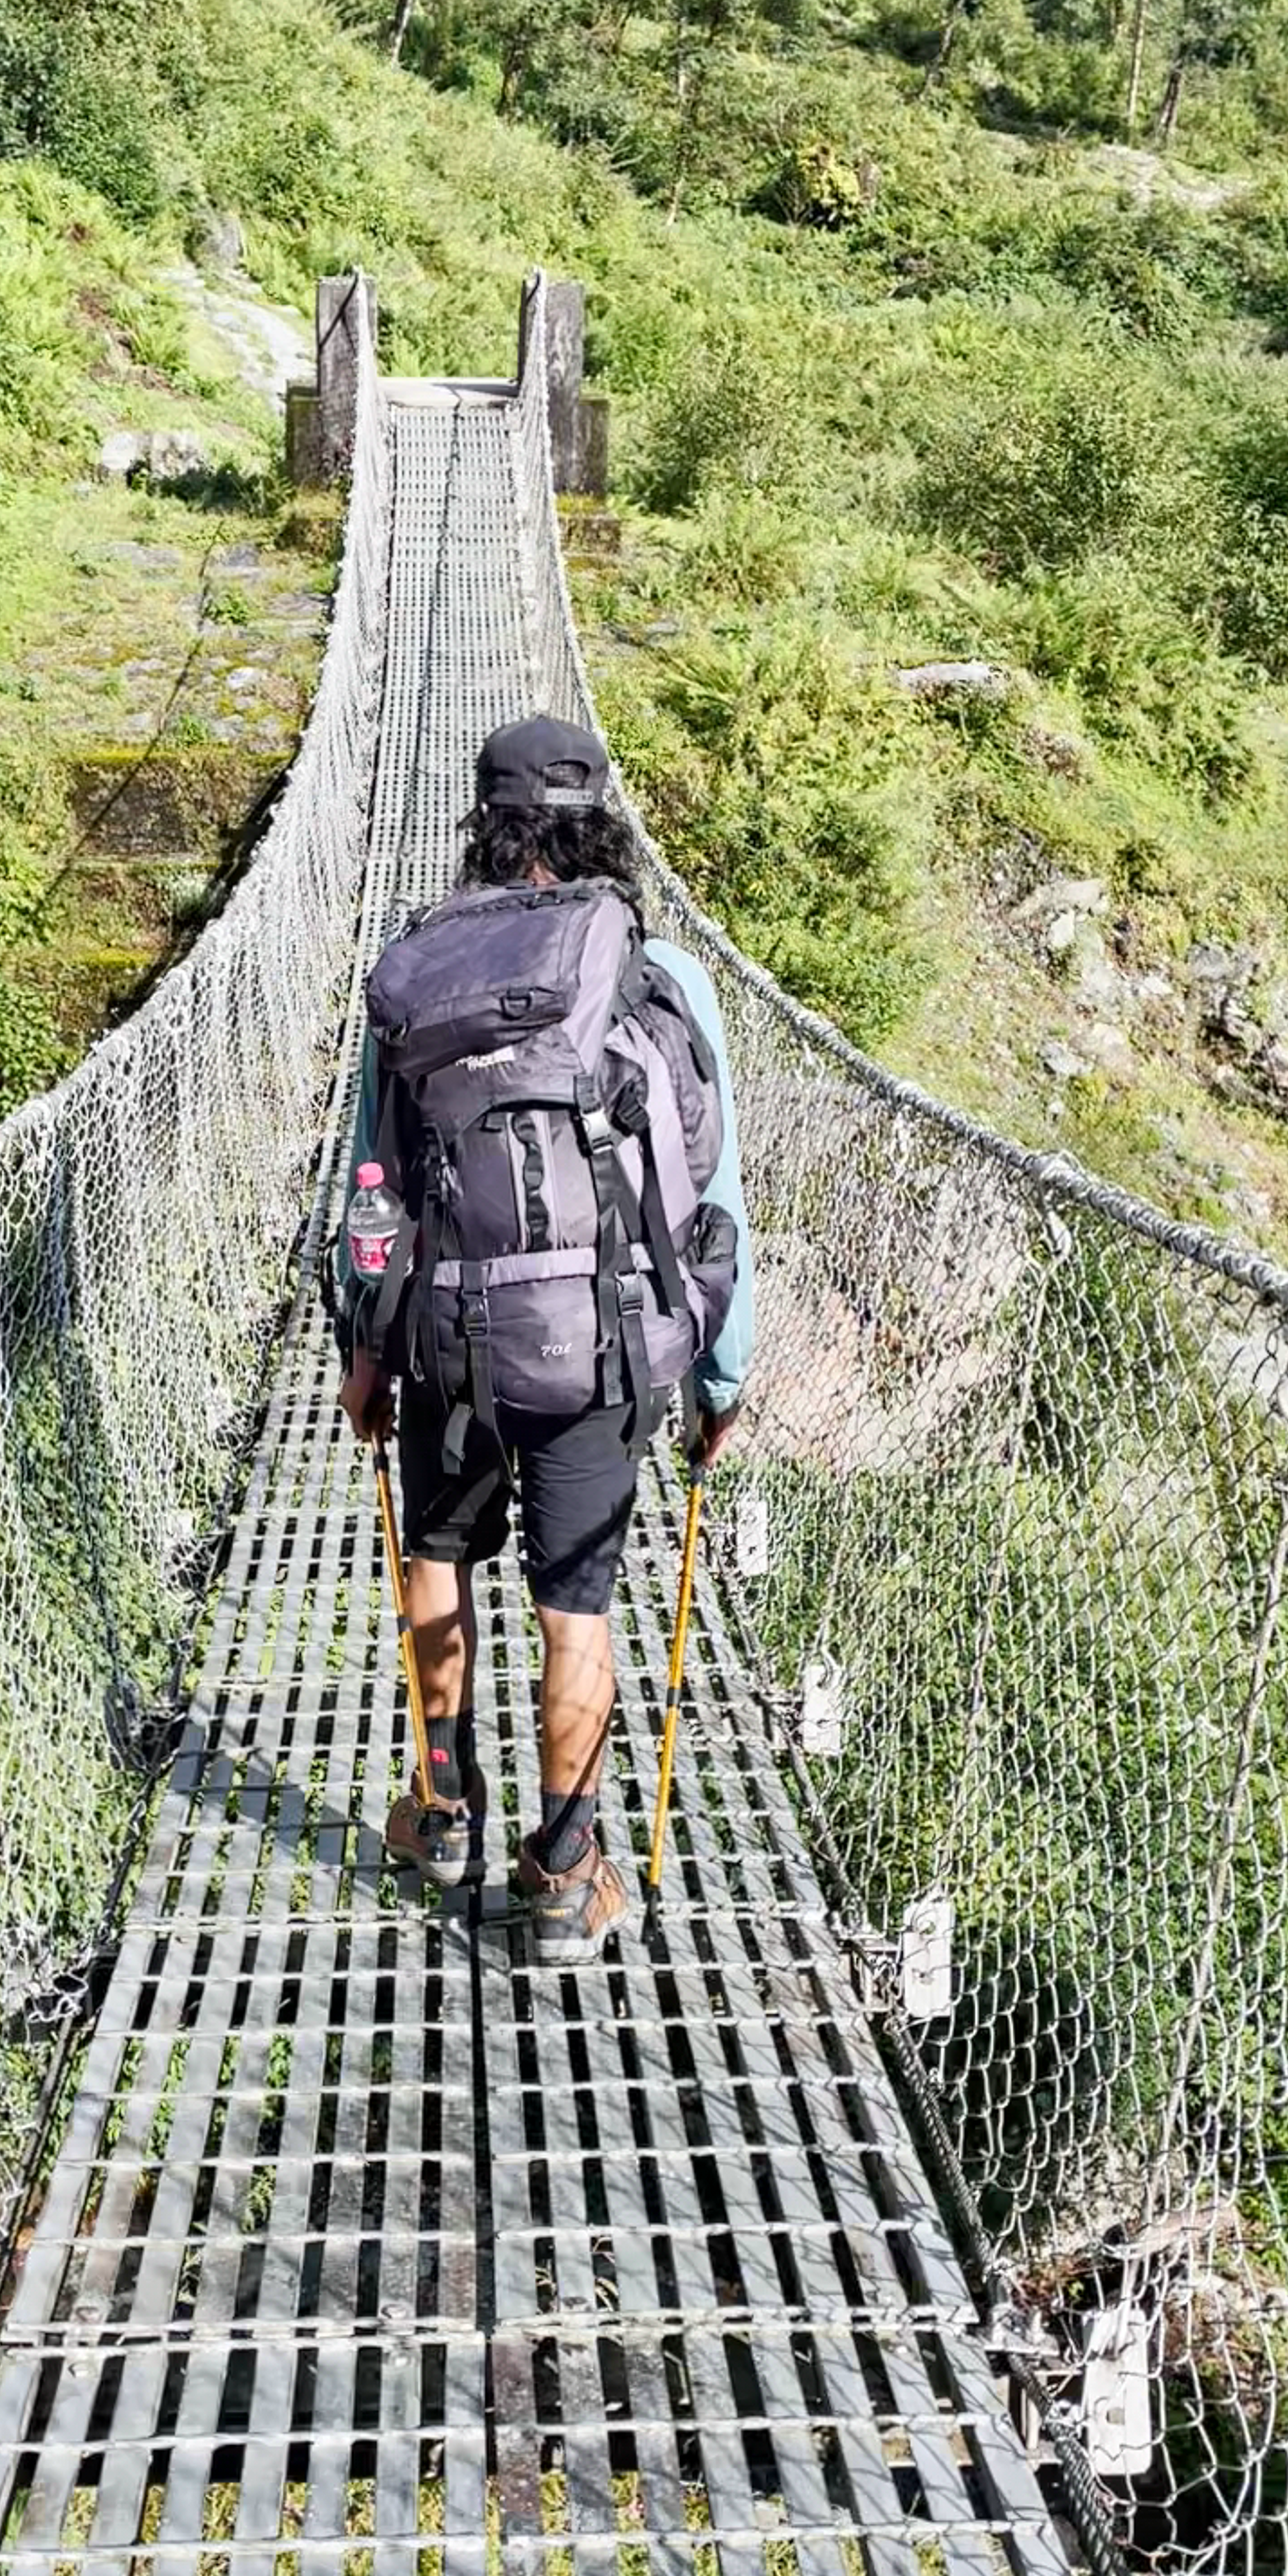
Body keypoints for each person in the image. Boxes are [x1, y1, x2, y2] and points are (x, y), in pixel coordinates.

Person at [337, 713, 753, 1962]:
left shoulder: (419, 966)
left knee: (438, 1554)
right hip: (602, 1348)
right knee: (577, 1609)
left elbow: (376, 1176)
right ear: (600, 821)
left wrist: (369, 1346)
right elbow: (713, 1192)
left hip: (447, 1339)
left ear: (487, 818)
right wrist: (718, 1379)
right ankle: (565, 1875)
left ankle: (442, 1810)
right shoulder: (660, 975)